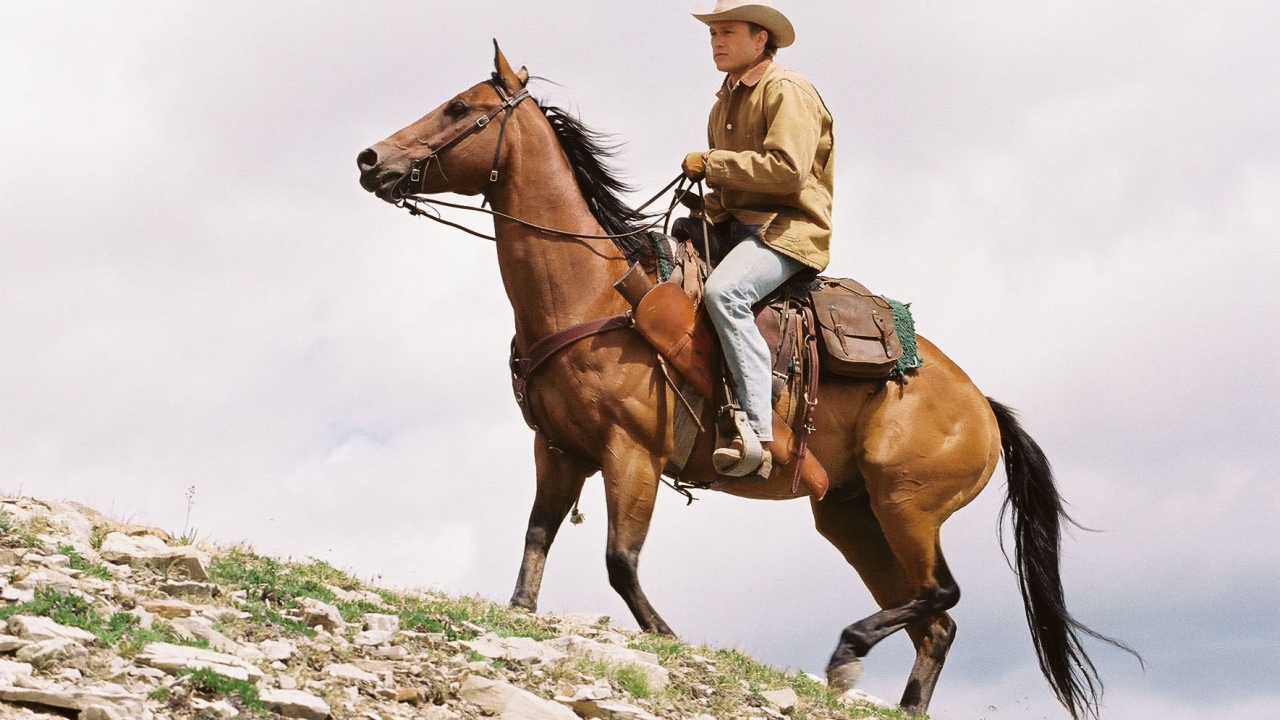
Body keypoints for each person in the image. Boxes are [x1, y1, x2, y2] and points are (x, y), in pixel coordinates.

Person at [681, 0, 835, 477]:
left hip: (787, 232)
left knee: (725, 293)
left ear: (760, 38)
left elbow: (788, 172)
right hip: (737, 230)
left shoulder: (786, 90)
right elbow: (726, 191)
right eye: (712, 34)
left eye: (727, 32)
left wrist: (713, 164)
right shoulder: (721, 103)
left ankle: (757, 430)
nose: (717, 42)